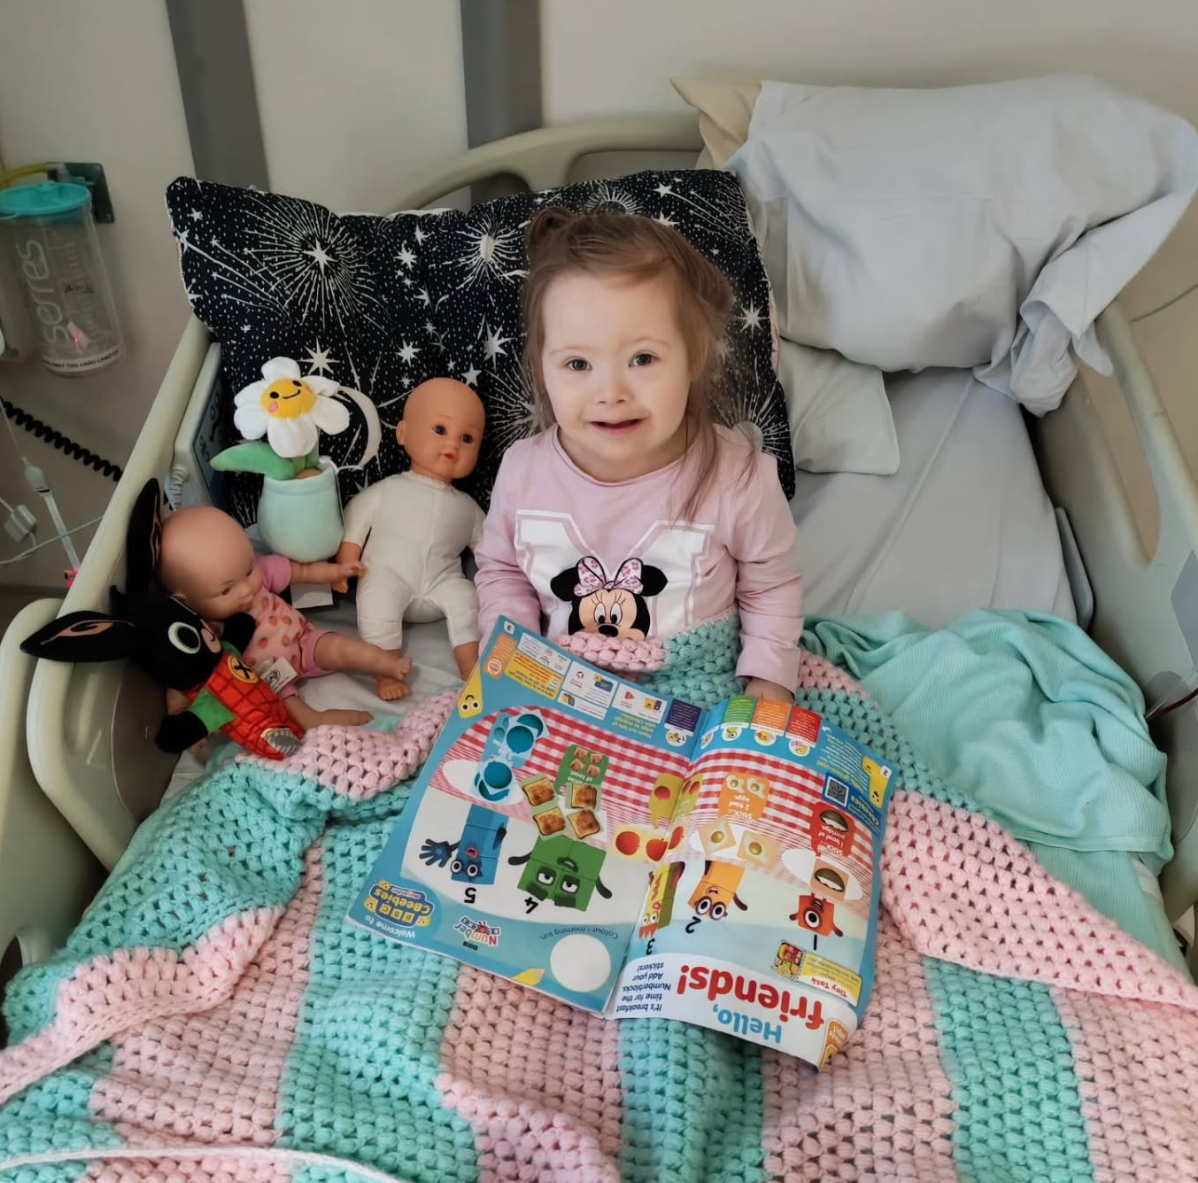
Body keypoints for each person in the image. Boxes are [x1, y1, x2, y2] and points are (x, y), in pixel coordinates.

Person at [474, 208, 802, 702]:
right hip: (563, 686)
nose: (611, 393)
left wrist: (769, 680)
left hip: (698, 685)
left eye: (642, 359)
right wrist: (511, 656)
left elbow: (769, 587)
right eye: (577, 364)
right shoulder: (523, 472)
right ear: (542, 368)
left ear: (695, 355)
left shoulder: (738, 477)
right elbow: (503, 572)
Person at [158, 506, 413, 723]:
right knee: (282, 705)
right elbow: (186, 670)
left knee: (345, 648)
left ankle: (386, 667)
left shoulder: (261, 572)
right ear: (185, 601)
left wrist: (335, 572)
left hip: (305, 641)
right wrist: (180, 711)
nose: (246, 590)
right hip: (267, 675)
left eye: (248, 571)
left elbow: (302, 572)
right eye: (226, 590)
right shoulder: (204, 627)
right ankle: (315, 720)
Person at [334, 377, 487, 692]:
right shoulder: (387, 490)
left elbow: (491, 549)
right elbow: (355, 523)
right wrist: (346, 563)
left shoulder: (469, 507)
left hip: (442, 582)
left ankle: (471, 666)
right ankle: (386, 670)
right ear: (402, 433)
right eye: (440, 430)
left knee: (466, 598)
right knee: (376, 600)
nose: (453, 445)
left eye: (467, 438)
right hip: (389, 575)